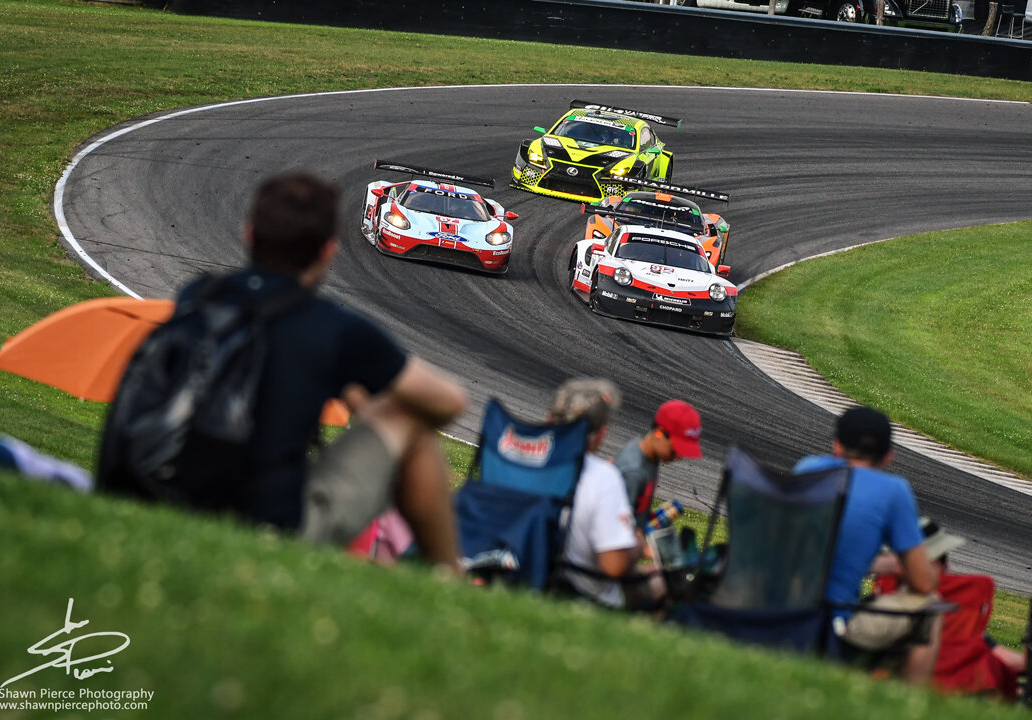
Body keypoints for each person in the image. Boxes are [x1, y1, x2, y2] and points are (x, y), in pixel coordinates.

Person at [104, 172, 466, 570]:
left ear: (249, 234)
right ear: (328, 252)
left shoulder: (198, 295)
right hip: (264, 526)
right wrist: (358, 391)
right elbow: (449, 401)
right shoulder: (333, 328)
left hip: (154, 492)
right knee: (408, 418)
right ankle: (448, 576)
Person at [792, 405, 939, 686]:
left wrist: (881, 563)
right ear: (888, 457)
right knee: (930, 608)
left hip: (777, 606)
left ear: (836, 446)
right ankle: (909, 703)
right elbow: (922, 583)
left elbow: (822, 547)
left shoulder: (807, 468)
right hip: (833, 622)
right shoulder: (894, 491)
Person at [874, 518, 1025, 698]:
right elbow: (1008, 661)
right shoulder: (961, 601)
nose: (947, 566)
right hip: (952, 688)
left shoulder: (880, 599)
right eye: (943, 559)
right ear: (934, 564)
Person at [547, 378, 641, 608]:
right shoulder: (604, 477)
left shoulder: (516, 456)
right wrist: (636, 545)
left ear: (549, 419)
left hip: (518, 574)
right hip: (580, 593)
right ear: (600, 434)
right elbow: (614, 565)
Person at [612, 399, 702, 527]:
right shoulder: (634, 472)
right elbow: (615, 527)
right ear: (659, 433)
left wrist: (652, 518)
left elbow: (633, 513)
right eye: (675, 450)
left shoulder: (650, 459)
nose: (678, 457)